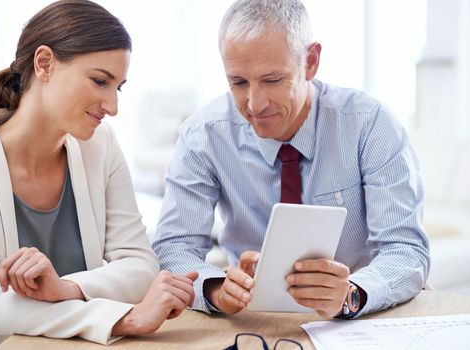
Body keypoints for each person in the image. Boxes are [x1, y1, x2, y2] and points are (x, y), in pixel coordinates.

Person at [152, 0, 430, 320]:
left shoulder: (370, 124)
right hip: (249, 315)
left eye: (272, 80)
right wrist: (215, 288)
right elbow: (174, 246)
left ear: (310, 62)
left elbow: (406, 250)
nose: (255, 104)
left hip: (358, 316)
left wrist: (352, 293)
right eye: (238, 82)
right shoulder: (202, 135)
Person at [0, 1, 197, 349]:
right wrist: (125, 319)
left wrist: (65, 289)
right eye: (99, 81)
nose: (112, 107)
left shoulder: (101, 146)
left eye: (118, 87)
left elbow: (141, 265)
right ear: (45, 63)